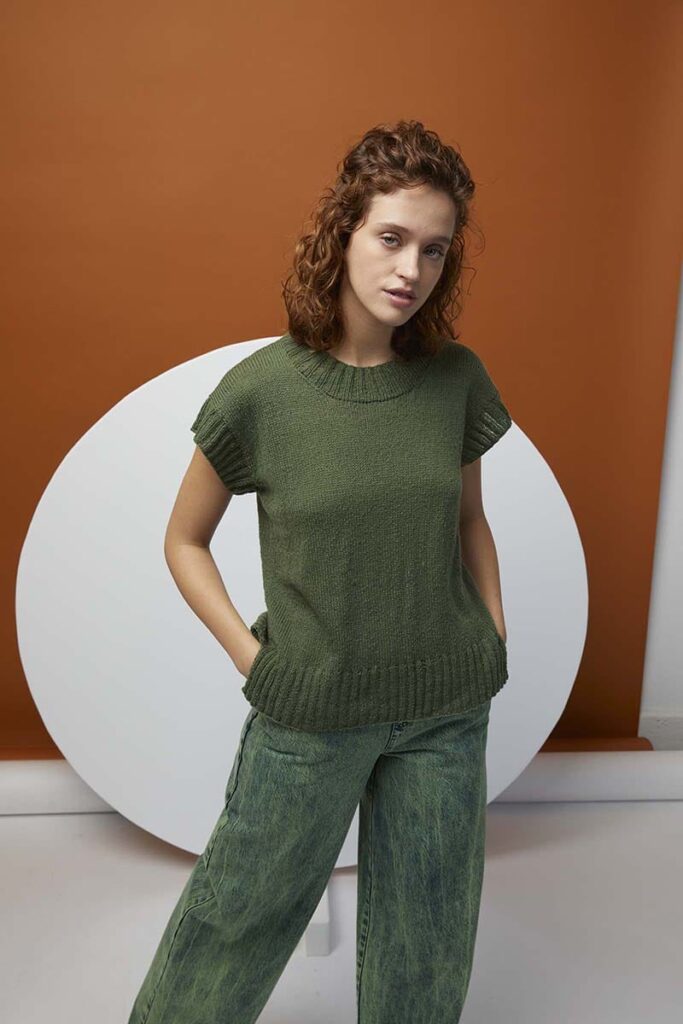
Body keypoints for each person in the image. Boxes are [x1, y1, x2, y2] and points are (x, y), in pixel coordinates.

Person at [126, 119, 512, 1024]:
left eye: (433, 249)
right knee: (237, 917)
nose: (410, 269)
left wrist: (492, 634)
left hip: (445, 711)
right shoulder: (263, 391)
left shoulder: (455, 379)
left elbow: (468, 518)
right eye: (391, 238)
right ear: (342, 232)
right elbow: (183, 541)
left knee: (427, 942)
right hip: (312, 708)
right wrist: (251, 658)